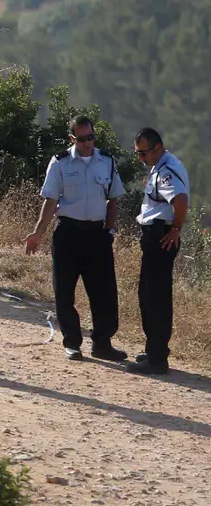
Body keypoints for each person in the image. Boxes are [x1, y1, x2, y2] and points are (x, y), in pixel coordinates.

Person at [23, 116, 128, 362]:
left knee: (104, 292)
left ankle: (102, 343)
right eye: (81, 139)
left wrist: (110, 231)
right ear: (72, 138)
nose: (87, 143)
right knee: (64, 291)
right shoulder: (60, 162)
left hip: (97, 234)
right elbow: (50, 201)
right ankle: (72, 342)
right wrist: (37, 233)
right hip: (68, 233)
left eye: (90, 137)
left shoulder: (107, 161)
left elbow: (113, 200)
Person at [126, 128, 190, 375]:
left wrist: (175, 229)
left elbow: (180, 200)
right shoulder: (161, 166)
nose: (140, 158)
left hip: (160, 237)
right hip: (156, 235)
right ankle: (155, 349)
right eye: (138, 153)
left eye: (143, 153)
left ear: (158, 148)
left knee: (156, 299)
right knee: (148, 294)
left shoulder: (166, 171)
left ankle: (156, 360)